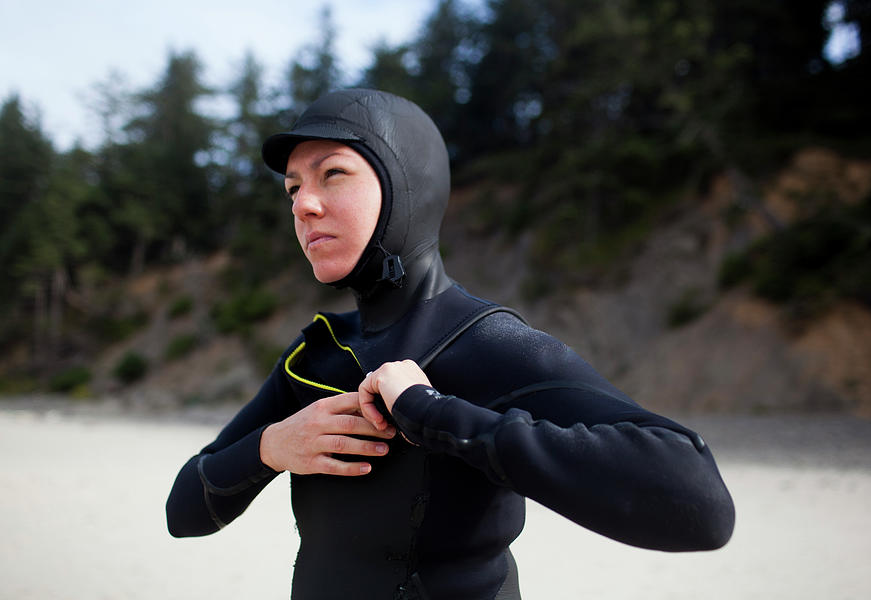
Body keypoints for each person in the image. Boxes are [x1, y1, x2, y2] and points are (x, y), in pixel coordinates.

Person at [166, 88, 735, 600]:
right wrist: (271, 447)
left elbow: (699, 503)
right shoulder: (315, 354)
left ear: (405, 185)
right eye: (292, 187)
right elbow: (184, 511)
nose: (302, 204)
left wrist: (429, 412)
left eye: (332, 174)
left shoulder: (483, 341)